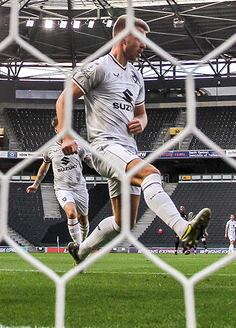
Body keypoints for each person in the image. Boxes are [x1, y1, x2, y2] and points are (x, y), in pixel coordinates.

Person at [57, 16, 210, 267]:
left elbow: (141, 113)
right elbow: (63, 100)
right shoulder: (98, 68)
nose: (145, 46)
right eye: (140, 40)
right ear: (122, 38)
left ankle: (80, 251)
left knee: (123, 224)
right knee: (150, 174)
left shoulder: (137, 77)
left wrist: (142, 121)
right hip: (104, 147)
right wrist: (65, 135)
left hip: (127, 149)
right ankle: (184, 229)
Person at [27, 117, 94, 263]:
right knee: (71, 213)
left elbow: (88, 160)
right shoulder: (50, 148)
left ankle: (83, 242)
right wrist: (36, 184)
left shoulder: (78, 144)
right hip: (62, 188)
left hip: (80, 187)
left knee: (83, 219)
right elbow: (44, 167)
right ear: (56, 129)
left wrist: (103, 169)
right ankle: (78, 248)